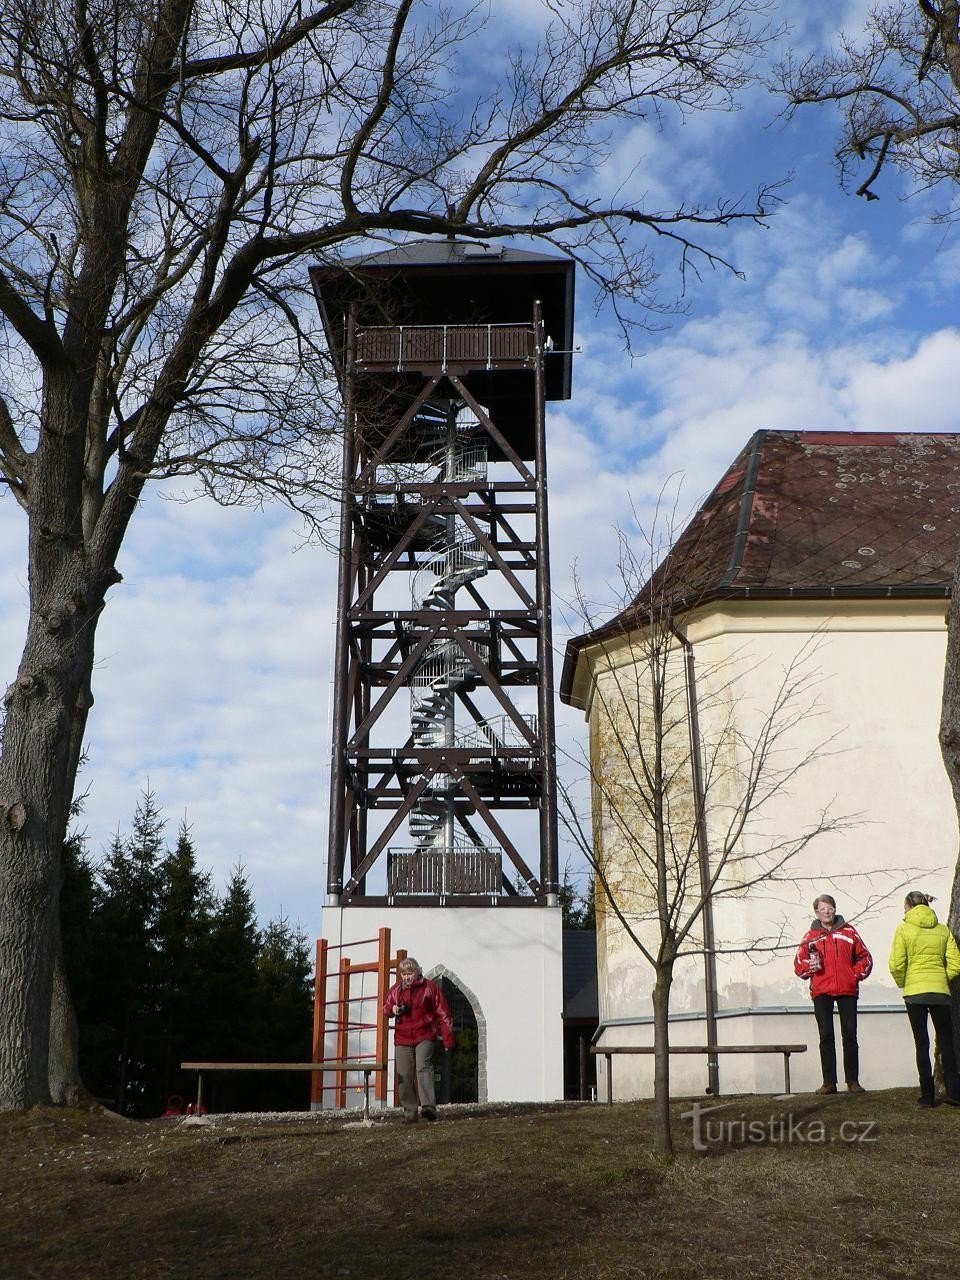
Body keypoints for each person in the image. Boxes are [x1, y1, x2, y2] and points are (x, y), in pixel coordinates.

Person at [794, 893, 873, 1094]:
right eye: (822, 909)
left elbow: (865, 957)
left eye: (829, 908)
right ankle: (829, 1083)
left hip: (847, 990)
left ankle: (852, 1082)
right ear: (816, 913)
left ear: (835, 910)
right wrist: (810, 967)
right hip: (821, 991)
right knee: (826, 1036)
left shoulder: (849, 932)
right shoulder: (810, 936)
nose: (826, 912)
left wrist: (854, 975)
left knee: (850, 1035)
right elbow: (798, 965)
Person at [888, 891, 960, 1107]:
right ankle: (955, 1094)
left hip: (915, 994)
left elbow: (896, 964)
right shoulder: (942, 929)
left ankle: (927, 1097)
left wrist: (905, 982)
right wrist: (940, 979)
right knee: (947, 1043)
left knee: (922, 1043)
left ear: (908, 906)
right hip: (940, 993)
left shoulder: (903, 929)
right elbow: (956, 963)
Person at [383, 956, 455, 1124]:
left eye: (410, 973)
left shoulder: (430, 988)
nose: (407, 977)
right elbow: (385, 1008)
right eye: (404, 974)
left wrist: (447, 1040)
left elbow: (443, 1013)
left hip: (425, 1034)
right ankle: (410, 1112)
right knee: (404, 1073)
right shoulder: (395, 990)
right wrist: (392, 1009)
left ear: (417, 972)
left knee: (423, 1067)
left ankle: (428, 1107)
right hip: (402, 1037)